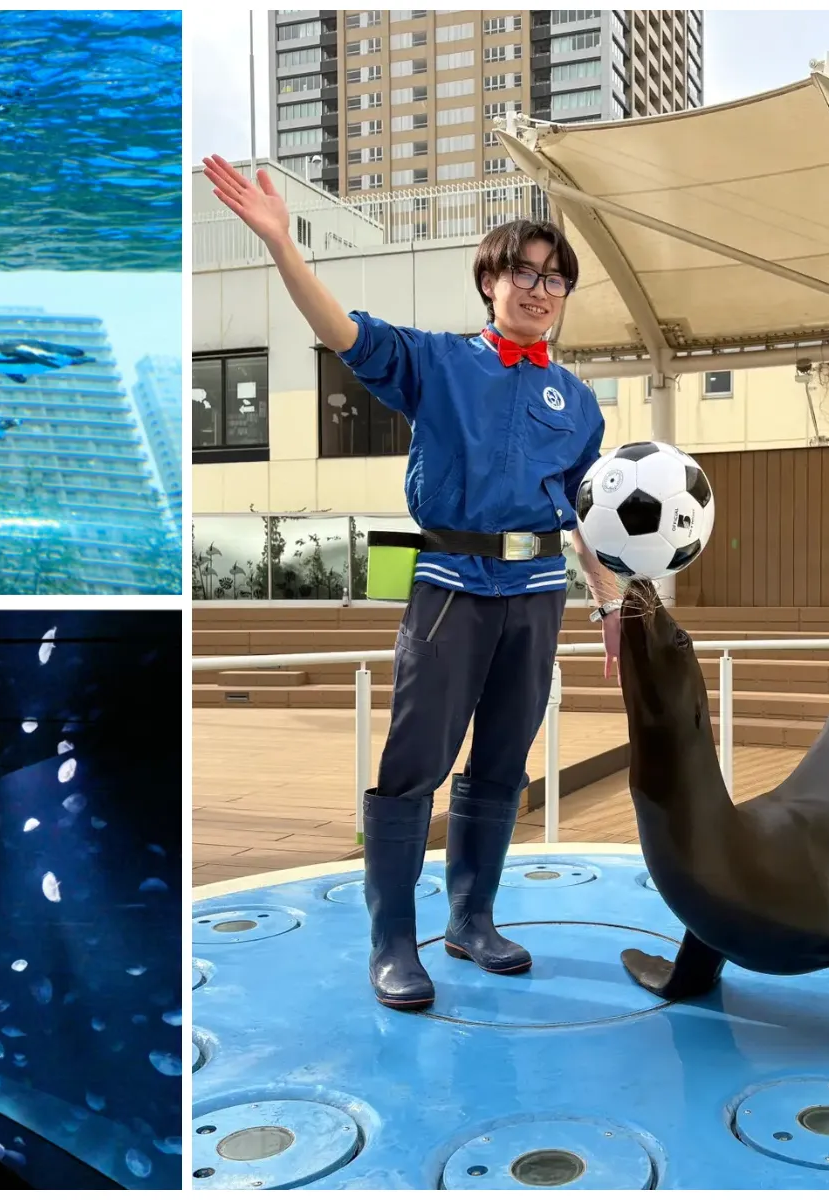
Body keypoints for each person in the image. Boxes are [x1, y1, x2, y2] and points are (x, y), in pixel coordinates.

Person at [203, 155, 623, 1010]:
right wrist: (283, 244)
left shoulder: (577, 403)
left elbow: (581, 511)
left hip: (537, 593)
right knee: (414, 766)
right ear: (490, 281)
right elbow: (341, 333)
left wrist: (610, 602)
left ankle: (473, 920)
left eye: (556, 279)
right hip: (450, 588)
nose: (540, 290)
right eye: (524, 273)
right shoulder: (438, 362)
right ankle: (394, 939)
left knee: (504, 762)